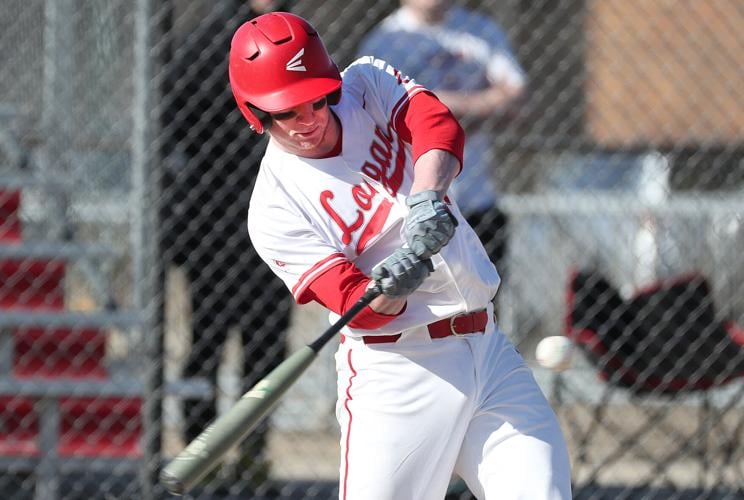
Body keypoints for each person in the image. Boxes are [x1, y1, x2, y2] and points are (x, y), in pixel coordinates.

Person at [229, 11, 571, 500]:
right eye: (286, 112)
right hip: (399, 373)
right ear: (254, 113)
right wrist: (387, 289)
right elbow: (354, 306)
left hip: (488, 350)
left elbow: (436, 124)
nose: (309, 120)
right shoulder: (274, 208)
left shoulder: (365, 82)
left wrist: (428, 194)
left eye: (317, 99)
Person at [159, 0, 293, 487]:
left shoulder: (292, 32)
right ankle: (203, 457)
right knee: (208, 343)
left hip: (280, 220)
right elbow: (175, 112)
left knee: (266, 346)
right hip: (214, 220)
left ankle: (253, 458)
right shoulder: (216, 34)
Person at [357, 0, 527, 274]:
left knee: (484, 307)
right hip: (408, 208)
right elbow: (374, 121)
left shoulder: (480, 30)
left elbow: (516, 99)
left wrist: (441, 111)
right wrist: (466, 114)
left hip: (476, 200)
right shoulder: (383, 42)